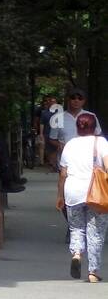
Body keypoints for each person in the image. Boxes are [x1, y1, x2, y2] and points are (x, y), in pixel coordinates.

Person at [57, 112, 108, 283]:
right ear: (95, 127)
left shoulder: (70, 145)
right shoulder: (100, 142)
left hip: (72, 192)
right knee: (96, 232)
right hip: (95, 193)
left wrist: (60, 195)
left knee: (76, 228)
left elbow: (63, 174)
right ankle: (92, 272)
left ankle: (77, 253)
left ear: (78, 127)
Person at [39, 94, 60, 172]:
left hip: (57, 134)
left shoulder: (60, 112)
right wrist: (41, 133)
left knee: (56, 149)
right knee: (48, 150)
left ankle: (54, 164)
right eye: (51, 101)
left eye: (54, 101)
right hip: (47, 133)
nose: (53, 103)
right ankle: (52, 163)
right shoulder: (44, 113)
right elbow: (42, 123)